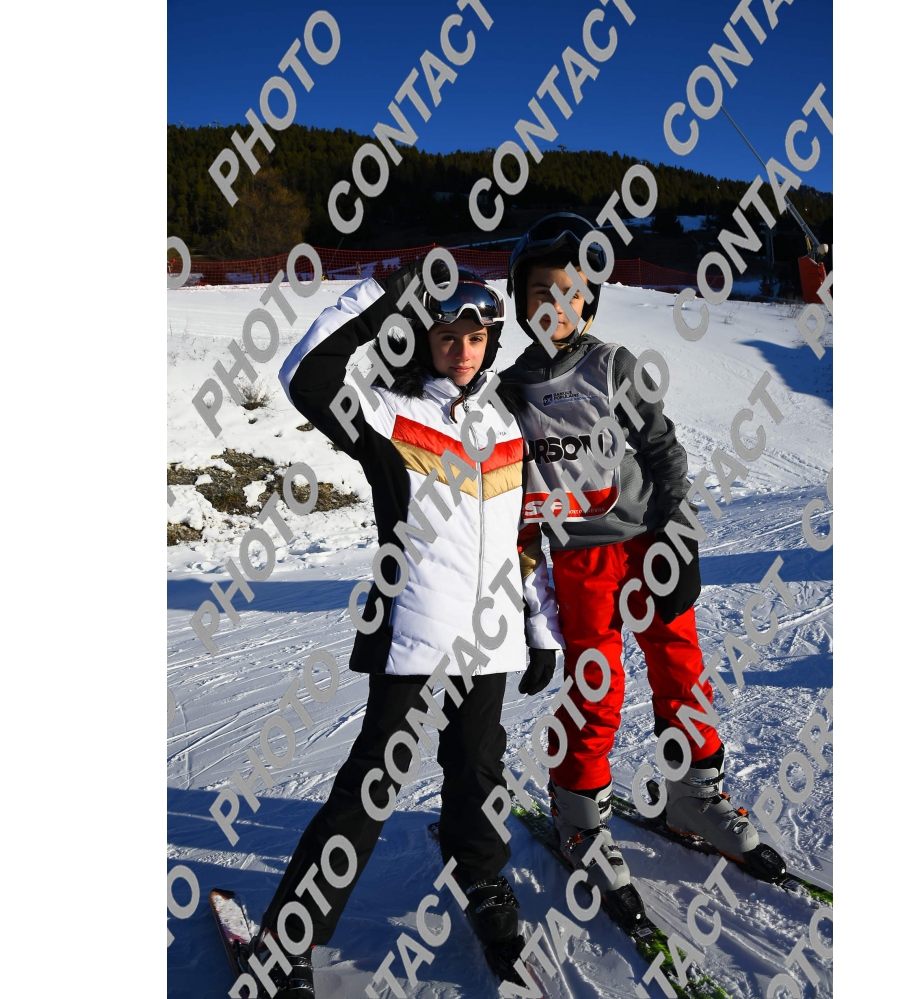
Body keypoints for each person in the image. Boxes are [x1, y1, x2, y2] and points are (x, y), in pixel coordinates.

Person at [245, 260, 564, 996]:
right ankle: (289, 938)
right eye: (447, 335)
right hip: (416, 635)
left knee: (478, 770)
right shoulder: (390, 416)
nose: (462, 350)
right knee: (370, 788)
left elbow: (525, 536)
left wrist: (541, 627)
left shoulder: (507, 423)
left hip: (490, 640)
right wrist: (386, 288)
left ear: (492, 340)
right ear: (424, 337)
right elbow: (306, 375)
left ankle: (480, 877)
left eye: (476, 338)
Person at [502, 214, 782, 921]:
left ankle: (694, 792)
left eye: (572, 293)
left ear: (590, 301)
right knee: (597, 681)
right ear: (520, 301)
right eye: (541, 293)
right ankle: (578, 813)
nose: (557, 306)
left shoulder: (612, 366)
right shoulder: (509, 391)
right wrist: (520, 590)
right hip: (578, 556)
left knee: (679, 660)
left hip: (646, 539)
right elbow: (503, 486)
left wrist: (678, 535)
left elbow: (662, 451)